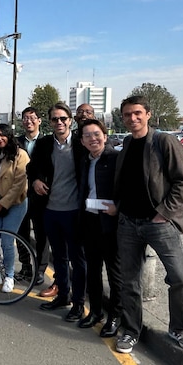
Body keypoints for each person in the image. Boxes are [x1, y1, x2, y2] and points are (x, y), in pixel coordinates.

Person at [113, 95, 183, 354]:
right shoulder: (126, 143)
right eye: (127, 114)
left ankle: (179, 329)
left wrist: (164, 213)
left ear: (148, 114)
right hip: (128, 223)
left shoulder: (164, 141)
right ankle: (130, 330)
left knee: (179, 278)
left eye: (137, 113)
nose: (132, 118)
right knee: (129, 282)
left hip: (159, 223)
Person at [29, 102, 89, 323]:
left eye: (63, 118)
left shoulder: (82, 143)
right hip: (51, 210)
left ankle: (79, 303)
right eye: (55, 119)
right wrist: (35, 180)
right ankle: (63, 296)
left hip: (75, 211)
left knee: (78, 259)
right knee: (59, 258)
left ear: (70, 120)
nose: (59, 122)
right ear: (50, 122)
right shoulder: (44, 144)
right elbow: (31, 167)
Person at [77, 118, 122, 336]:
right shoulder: (86, 160)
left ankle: (115, 317)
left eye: (96, 134)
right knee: (92, 271)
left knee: (114, 274)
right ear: (83, 141)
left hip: (111, 223)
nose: (93, 139)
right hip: (90, 220)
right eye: (87, 136)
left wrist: (118, 207)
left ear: (105, 136)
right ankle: (95, 312)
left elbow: (130, 187)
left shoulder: (115, 158)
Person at [0, 124, 30, 293]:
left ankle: (9, 275)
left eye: (3, 135)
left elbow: (20, 183)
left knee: (8, 241)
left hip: (15, 204)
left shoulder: (20, 155)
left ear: (9, 136)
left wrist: (3, 203)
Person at [16, 106, 47, 286]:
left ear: (39, 120)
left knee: (42, 235)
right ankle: (25, 266)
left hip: (41, 195)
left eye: (32, 118)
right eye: (26, 118)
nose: (29, 121)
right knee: (21, 232)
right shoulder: (16, 142)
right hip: (20, 194)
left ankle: (41, 269)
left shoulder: (47, 142)